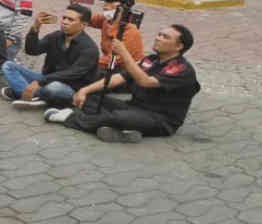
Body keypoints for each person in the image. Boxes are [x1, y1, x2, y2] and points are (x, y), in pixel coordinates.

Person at [48, 25, 201, 142]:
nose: (158, 38)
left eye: (165, 37)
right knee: (93, 97)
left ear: (179, 46)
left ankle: (70, 118)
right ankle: (122, 132)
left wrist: (123, 52)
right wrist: (85, 90)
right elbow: (119, 78)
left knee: (118, 117)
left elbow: (145, 81)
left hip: (161, 120)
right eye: (159, 34)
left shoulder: (182, 69)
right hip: (134, 107)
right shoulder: (151, 60)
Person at [1, 5, 100, 109]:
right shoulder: (56, 36)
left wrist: (39, 82)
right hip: (46, 79)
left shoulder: (89, 49)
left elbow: (72, 74)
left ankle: (23, 92)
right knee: (8, 66)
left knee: (53, 88)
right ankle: (35, 97)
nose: (65, 22)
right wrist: (36, 27)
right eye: (64, 18)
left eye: (70, 20)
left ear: (83, 25)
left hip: (71, 87)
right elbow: (32, 50)